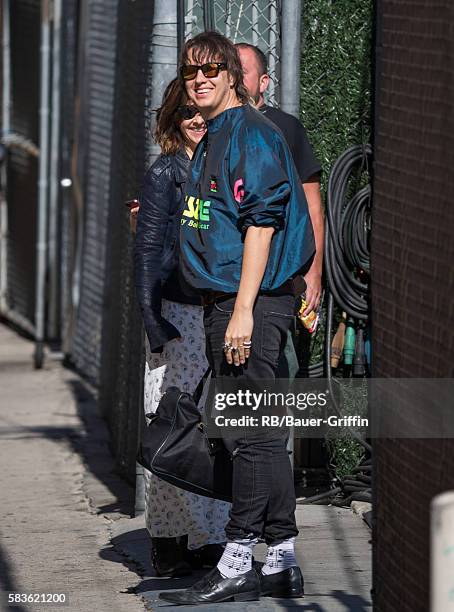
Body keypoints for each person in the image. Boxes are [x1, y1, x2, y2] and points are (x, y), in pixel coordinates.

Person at [159, 32, 314, 605]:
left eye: (211, 71)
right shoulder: (213, 136)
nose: (200, 81)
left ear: (233, 76)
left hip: (248, 302)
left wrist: (244, 311)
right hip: (229, 301)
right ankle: (280, 557)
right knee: (266, 435)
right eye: (191, 73)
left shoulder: (248, 134)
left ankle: (239, 554)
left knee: (248, 435)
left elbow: (262, 223)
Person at [134, 78, 230, 578]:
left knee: (212, 428)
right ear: (172, 121)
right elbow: (148, 250)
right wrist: (153, 320)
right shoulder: (165, 172)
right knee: (171, 426)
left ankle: (211, 538)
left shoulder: (226, 163)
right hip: (176, 315)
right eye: (185, 113)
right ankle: (169, 542)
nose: (196, 120)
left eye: (201, 112)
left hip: (219, 311)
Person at [236, 42, 324, 318]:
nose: (234, 79)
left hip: (277, 274)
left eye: (243, 73)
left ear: (264, 82)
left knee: (270, 355)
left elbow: (312, 206)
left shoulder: (286, 128)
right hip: (225, 274)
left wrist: (314, 271)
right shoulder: (212, 126)